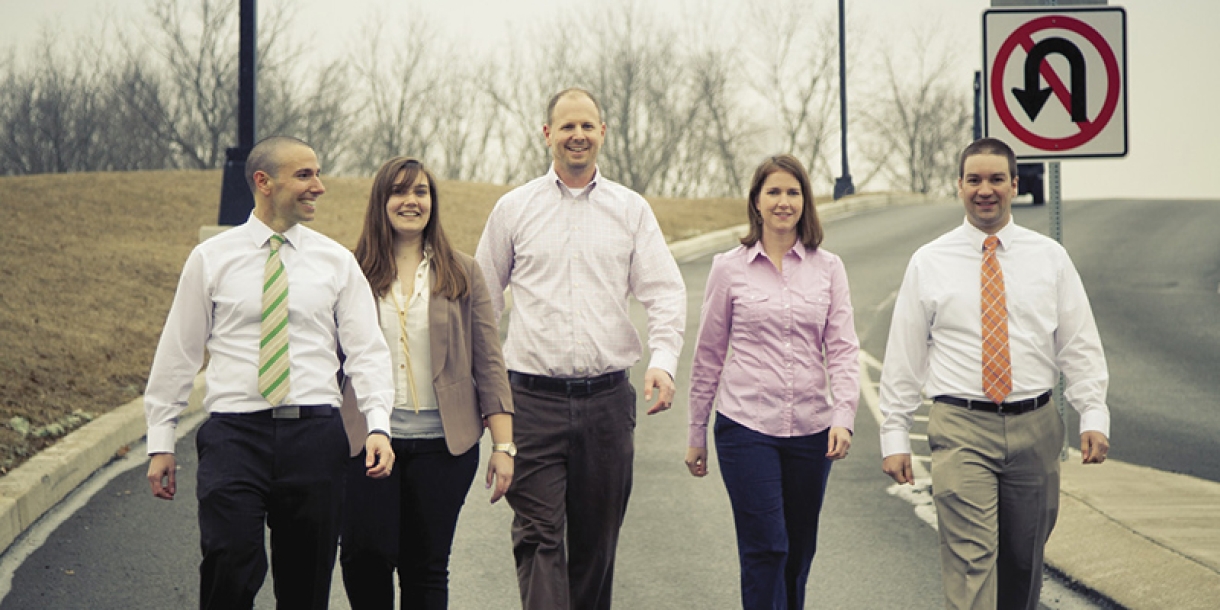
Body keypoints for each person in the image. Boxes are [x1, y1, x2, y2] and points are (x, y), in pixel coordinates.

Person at [143, 136, 396, 610]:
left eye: (318, 174)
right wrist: (161, 440)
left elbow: (367, 352)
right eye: (305, 175)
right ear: (263, 182)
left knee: (305, 585)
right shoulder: (212, 259)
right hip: (234, 436)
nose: (319, 187)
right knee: (230, 561)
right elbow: (179, 351)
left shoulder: (336, 262)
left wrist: (379, 423)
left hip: (316, 438)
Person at [474, 87, 686, 610]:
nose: (577, 136)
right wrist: (485, 390)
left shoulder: (631, 210)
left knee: (596, 548)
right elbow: (482, 302)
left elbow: (664, 291)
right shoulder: (513, 209)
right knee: (539, 537)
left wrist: (662, 362)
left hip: (607, 405)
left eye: (587, 126)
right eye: (567, 126)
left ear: (602, 134)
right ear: (547, 134)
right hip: (532, 404)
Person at [878, 137, 1111, 610]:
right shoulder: (929, 261)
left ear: (1014, 185)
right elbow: (905, 354)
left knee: (1024, 565)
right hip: (961, 427)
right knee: (972, 562)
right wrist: (895, 434)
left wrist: (1093, 414)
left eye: (996, 179)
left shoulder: (1049, 258)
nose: (985, 190)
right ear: (959, 186)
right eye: (974, 180)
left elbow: (1077, 342)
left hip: (1036, 425)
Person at [338, 157, 515, 609]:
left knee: (426, 566)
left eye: (421, 192)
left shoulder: (463, 271)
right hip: (365, 442)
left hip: (443, 447)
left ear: (432, 203)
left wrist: (503, 446)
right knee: (364, 556)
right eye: (399, 192)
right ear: (381, 202)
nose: (411, 201)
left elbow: (489, 363)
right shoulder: (349, 271)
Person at [684, 154, 859, 609]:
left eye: (793, 192)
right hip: (746, 428)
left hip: (811, 430)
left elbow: (841, 349)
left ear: (806, 201)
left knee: (799, 553)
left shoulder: (828, 268)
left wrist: (843, 416)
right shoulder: (730, 268)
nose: (784, 202)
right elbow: (708, 354)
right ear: (757, 202)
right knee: (766, 548)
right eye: (774, 192)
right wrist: (695, 432)